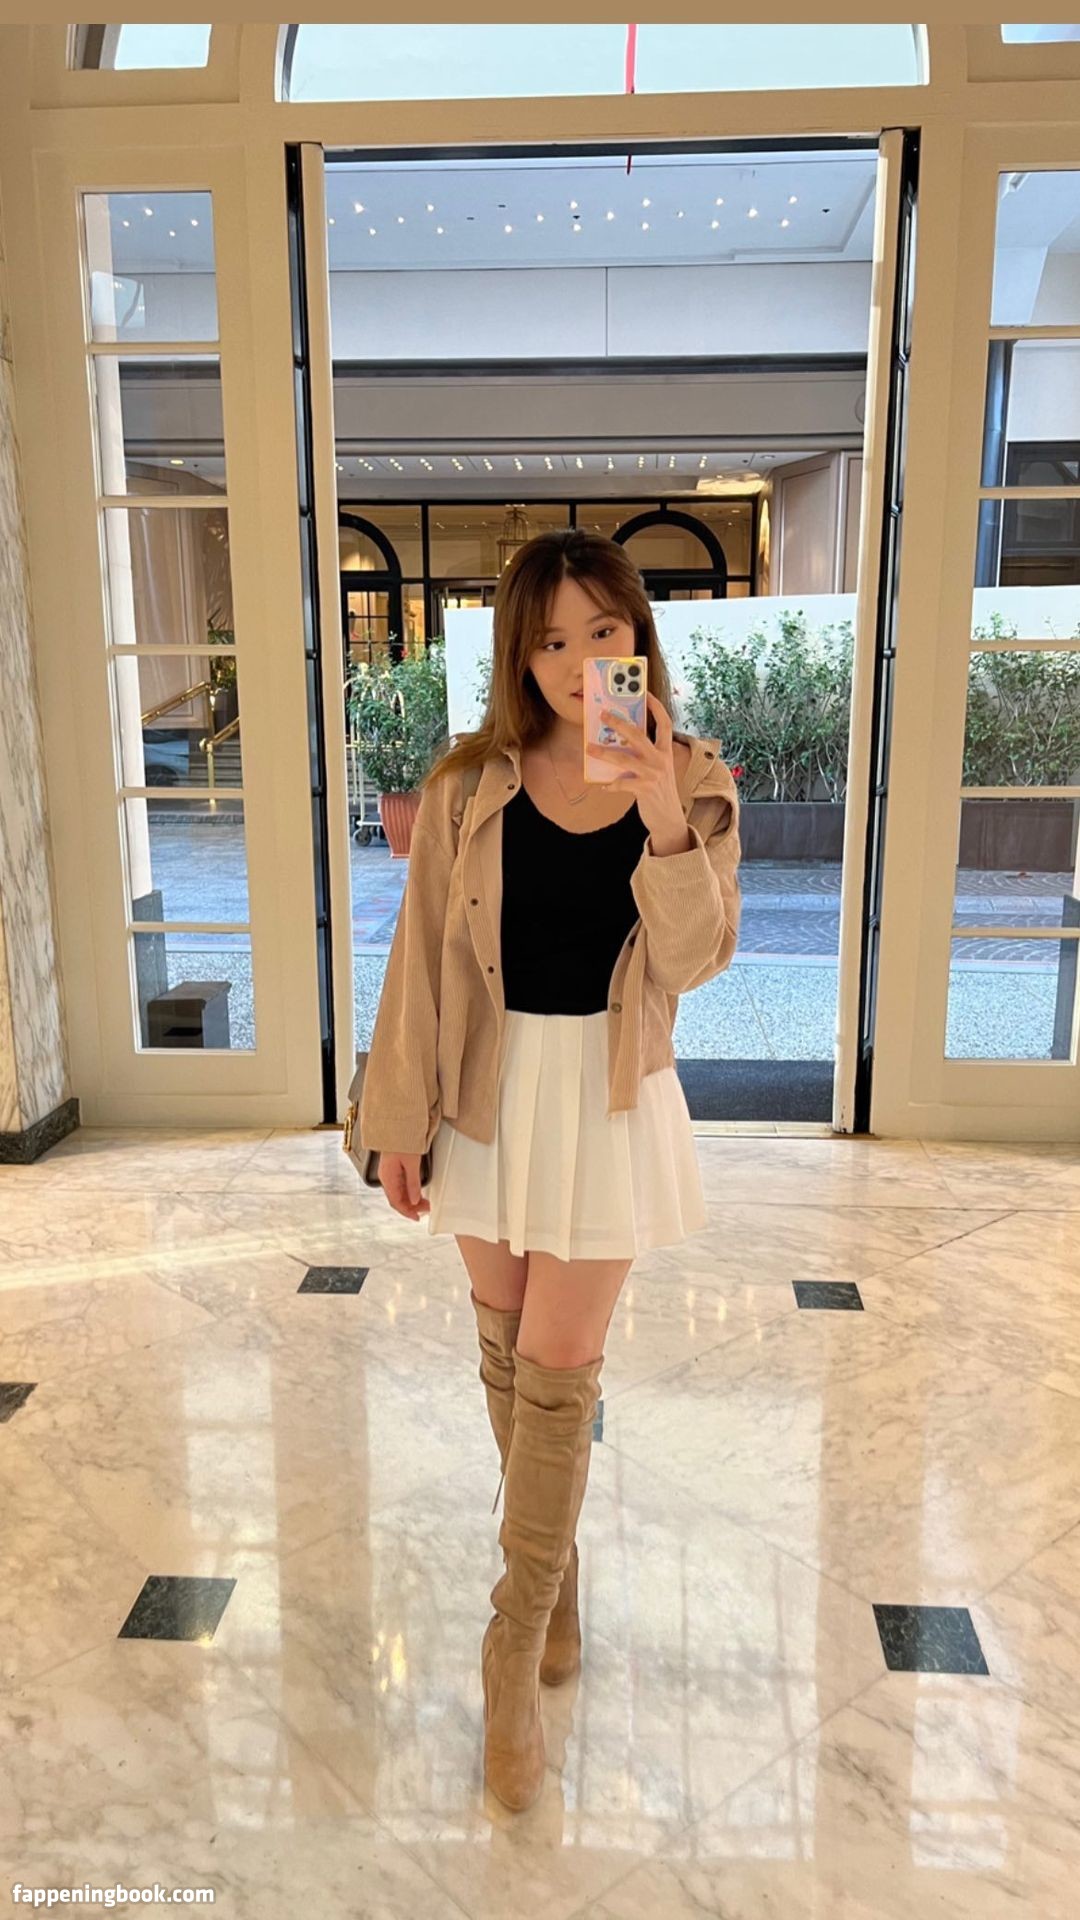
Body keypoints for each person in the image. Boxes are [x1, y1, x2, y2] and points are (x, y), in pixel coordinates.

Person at [358, 528, 742, 1811]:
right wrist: (395, 1119)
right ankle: (557, 1583)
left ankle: (510, 1654)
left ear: (638, 636)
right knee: (509, 1359)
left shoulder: (694, 778)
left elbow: (693, 965)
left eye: (603, 633)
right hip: (487, 1092)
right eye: (551, 639)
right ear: (519, 657)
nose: (580, 662)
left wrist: (660, 815)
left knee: (561, 1370)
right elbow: (421, 961)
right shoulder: (471, 786)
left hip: (609, 1098)